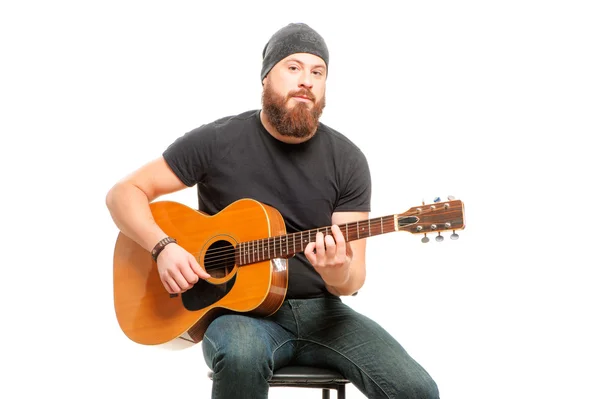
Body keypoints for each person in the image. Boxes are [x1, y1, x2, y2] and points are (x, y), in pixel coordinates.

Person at [106, 22, 439, 399]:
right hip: (240, 318)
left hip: (323, 315)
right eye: (293, 68)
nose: (307, 81)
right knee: (240, 355)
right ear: (266, 77)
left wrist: (338, 271)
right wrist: (163, 246)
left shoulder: (347, 160)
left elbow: (353, 278)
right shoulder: (217, 142)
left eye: (318, 72)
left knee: (417, 389)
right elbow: (123, 194)